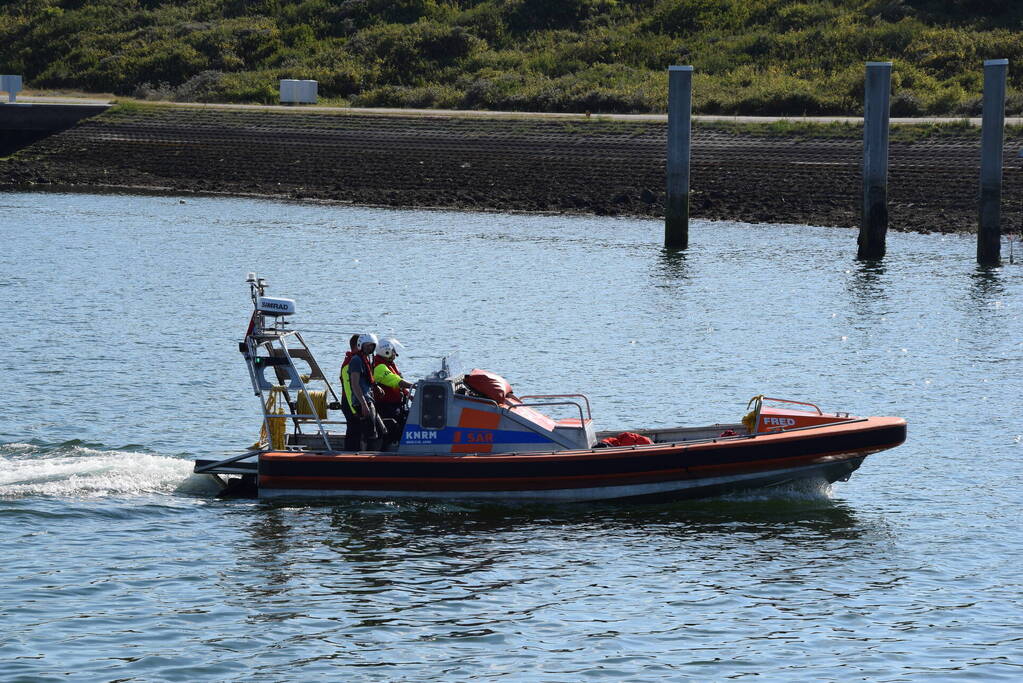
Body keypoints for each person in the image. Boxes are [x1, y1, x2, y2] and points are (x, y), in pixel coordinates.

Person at [344, 333, 386, 451]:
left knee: (381, 430)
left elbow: (368, 378)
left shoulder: (367, 359)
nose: (370, 348)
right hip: (362, 401)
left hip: (369, 400)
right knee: (371, 433)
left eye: (372, 346)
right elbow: (355, 384)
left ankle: (373, 454)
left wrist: (376, 387)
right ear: (361, 345)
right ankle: (367, 455)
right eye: (367, 346)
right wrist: (363, 404)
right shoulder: (356, 360)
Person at [372, 338, 414, 450]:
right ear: (386, 351)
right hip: (386, 406)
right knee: (395, 427)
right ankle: (392, 449)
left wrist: (409, 395)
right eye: (394, 351)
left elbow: (398, 384)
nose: (395, 354)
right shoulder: (380, 367)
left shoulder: (388, 364)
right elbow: (396, 381)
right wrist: (415, 386)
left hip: (395, 405)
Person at [339, 334, 360, 450]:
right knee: (353, 431)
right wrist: (353, 410)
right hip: (350, 403)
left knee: (357, 432)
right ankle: (349, 454)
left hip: (355, 401)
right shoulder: (349, 364)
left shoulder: (358, 361)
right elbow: (348, 389)